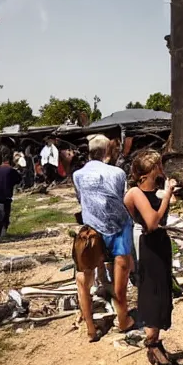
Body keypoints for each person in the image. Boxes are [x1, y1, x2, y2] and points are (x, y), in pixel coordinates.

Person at [72, 134, 135, 342]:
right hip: (118, 227)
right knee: (121, 275)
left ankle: (90, 329)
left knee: (83, 279)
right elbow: (120, 198)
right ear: (107, 151)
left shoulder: (78, 175)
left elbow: (81, 199)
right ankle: (123, 319)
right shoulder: (117, 173)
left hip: (91, 231)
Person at [124, 150, 177, 365]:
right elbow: (152, 222)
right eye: (157, 166)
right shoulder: (135, 192)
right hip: (146, 244)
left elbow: (165, 211)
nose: (160, 169)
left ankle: (155, 342)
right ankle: (152, 342)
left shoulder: (155, 191)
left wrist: (166, 193)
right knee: (151, 292)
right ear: (147, 171)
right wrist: (166, 197)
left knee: (163, 291)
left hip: (160, 243)